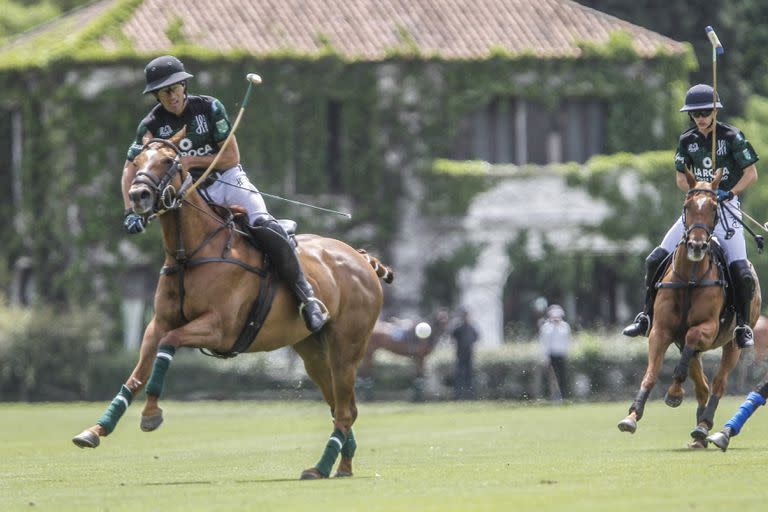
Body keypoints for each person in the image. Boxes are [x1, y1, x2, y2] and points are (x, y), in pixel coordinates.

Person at [120, 55, 329, 332]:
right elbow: (129, 169)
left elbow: (231, 157)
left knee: (263, 223)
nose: (170, 96)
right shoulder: (151, 125)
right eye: (163, 92)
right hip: (192, 194)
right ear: (156, 95)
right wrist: (130, 211)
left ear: (184, 85)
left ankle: (308, 299)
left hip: (228, 180)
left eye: (174, 88)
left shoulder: (208, 108)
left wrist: (190, 162)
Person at [622, 83, 759, 348]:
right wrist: (700, 191)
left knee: (741, 271)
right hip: (699, 210)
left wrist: (729, 193)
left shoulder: (732, 136)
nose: (701, 117)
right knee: (655, 259)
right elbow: (680, 179)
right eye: (696, 114)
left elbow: (750, 174)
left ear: (715, 111)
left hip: (726, 209)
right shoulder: (687, 140)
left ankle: (742, 326)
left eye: (706, 112)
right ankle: (646, 317)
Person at [538, 304, 571, 401]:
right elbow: (544, 343)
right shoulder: (547, 328)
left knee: (562, 377)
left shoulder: (565, 327)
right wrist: (545, 357)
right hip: (551, 355)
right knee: (551, 378)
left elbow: (567, 341)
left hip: (561, 354)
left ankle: (563, 396)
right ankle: (550, 396)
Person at [451, 307, 479, 400]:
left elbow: (476, 337)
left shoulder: (471, 327)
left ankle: (470, 395)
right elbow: (452, 335)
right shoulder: (458, 327)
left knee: (469, 376)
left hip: (469, 355)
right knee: (459, 375)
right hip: (460, 355)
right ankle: (457, 395)